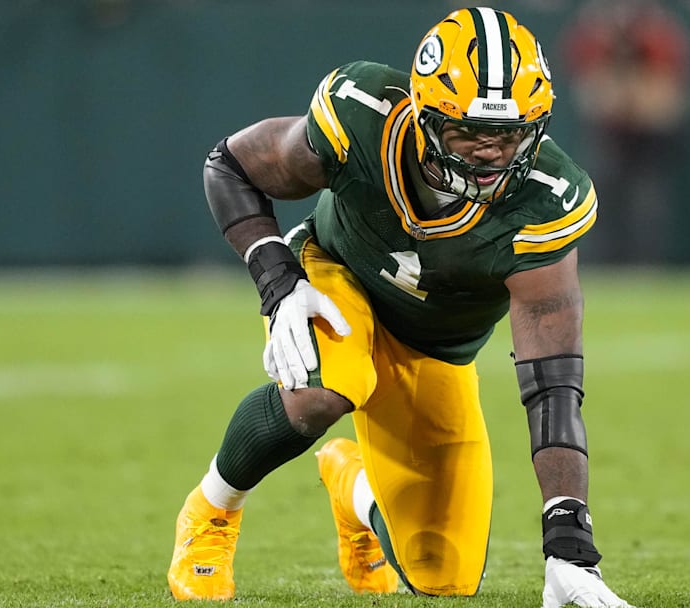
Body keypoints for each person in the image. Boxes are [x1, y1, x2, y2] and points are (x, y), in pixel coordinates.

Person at [166, 7, 634, 608]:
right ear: (424, 116)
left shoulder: (546, 200)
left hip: (435, 349)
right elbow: (230, 165)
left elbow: (553, 388)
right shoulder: (363, 116)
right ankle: (212, 510)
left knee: (443, 577)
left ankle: (351, 487)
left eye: (510, 133)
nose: (492, 153)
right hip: (336, 277)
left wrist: (568, 544)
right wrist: (278, 280)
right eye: (469, 132)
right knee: (323, 392)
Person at [563, 0, 690, 266]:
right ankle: (604, 262)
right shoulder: (597, 29)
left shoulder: (656, 32)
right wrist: (613, 98)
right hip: (610, 134)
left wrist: (638, 100)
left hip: (650, 138)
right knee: (600, 196)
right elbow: (586, 86)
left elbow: (671, 96)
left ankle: (644, 263)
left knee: (646, 201)